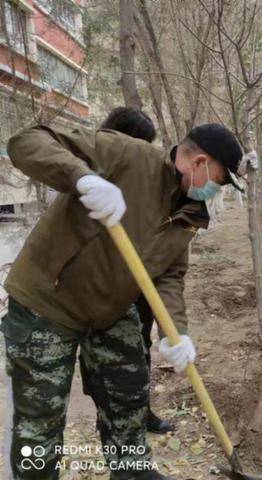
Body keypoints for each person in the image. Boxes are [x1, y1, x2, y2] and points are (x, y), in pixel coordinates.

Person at [1, 121, 243, 480]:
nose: (217, 189)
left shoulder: (189, 216)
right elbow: (25, 141)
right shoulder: (128, 155)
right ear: (200, 163)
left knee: (129, 394)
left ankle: (132, 474)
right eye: (220, 179)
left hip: (109, 311)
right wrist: (82, 178)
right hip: (47, 303)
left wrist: (176, 333)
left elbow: (169, 275)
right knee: (40, 418)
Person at [80, 107, 189, 435]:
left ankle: (141, 411)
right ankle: (108, 417)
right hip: (103, 286)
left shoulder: (152, 186)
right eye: (138, 143)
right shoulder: (93, 176)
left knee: (139, 345)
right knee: (103, 361)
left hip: (141, 283)